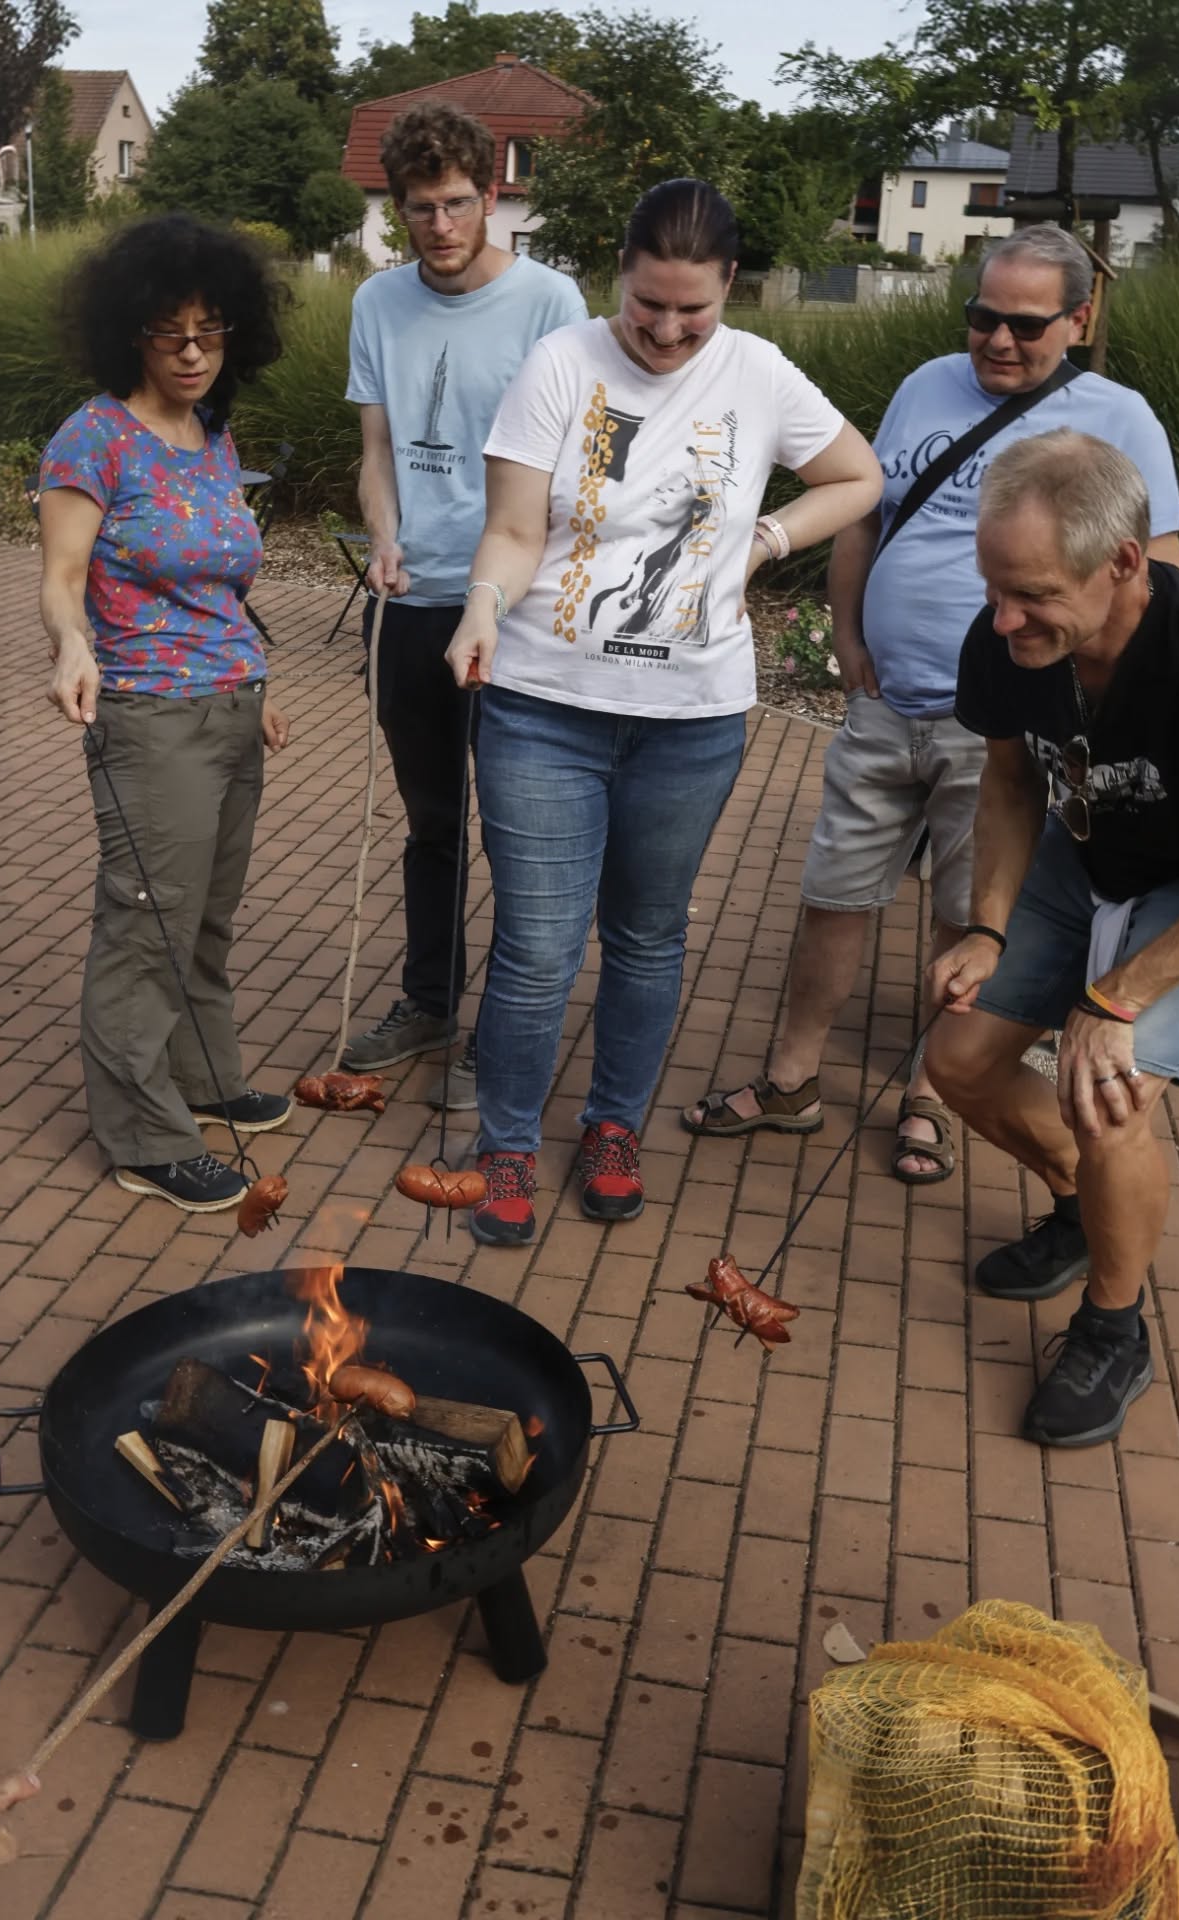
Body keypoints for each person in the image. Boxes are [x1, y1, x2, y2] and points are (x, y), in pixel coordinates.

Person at [683, 225, 1179, 1186]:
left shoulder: (1122, 420)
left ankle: (929, 1093)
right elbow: (869, 510)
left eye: (1026, 325)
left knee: (965, 918)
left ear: (1080, 319)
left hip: (998, 727)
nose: (997, 340)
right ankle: (792, 1080)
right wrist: (848, 634)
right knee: (834, 892)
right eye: (982, 316)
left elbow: (1159, 578)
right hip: (885, 702)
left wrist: (1095, 708)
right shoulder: (924, 385)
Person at [444, 178, 884, 1246]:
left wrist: (770, 541)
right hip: (545, 702)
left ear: (731, 285)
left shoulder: (760, 373)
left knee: (646, 937)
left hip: (692, 721)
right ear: (619, 278)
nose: (671, 331)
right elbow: (509, 530)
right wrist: (481, 610)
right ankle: (506, 1142)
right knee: (539, 946)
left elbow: (857, 476)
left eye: (695, 309)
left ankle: (612, 1128)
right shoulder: (561, 365)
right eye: (649, 306)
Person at [925, 430, 1179, 1447]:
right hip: (1080, 851)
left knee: (1105, 1096)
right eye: (995, 587)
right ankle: (1078, 1207)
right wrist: (985, 926)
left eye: (1036, 596)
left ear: (1124, 564)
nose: (1005, 618)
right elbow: (1012, 782)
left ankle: (1113, 1326)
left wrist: (1115, 999)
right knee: (959, 1062)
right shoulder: (1009, 629)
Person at [40, 214, 293, 1212]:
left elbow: (223, 588)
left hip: (231, 708)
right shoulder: (93, 437)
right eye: (169, 332)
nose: (193, 352)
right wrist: (70, 644)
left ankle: (203, 1077)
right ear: (128, 333)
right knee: (147, 922)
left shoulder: (211, 434)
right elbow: (62, 577)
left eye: (211, 329)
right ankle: (144, 1133)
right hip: (149, 712)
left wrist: (259, 689)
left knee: (205, 918)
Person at [341, 103, 587, 1104]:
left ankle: (510, 1028)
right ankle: (432, 1000)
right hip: (413, 602)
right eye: (418, 209)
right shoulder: (377, 305)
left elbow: (576, 462)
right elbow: (374, 455)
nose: (438, 226)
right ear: (399, 209)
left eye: (455, 204)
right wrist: (384, 539)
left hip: (520, 609)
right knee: (433, 820)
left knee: (522, 830)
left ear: (490, 198)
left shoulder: (550, 300)